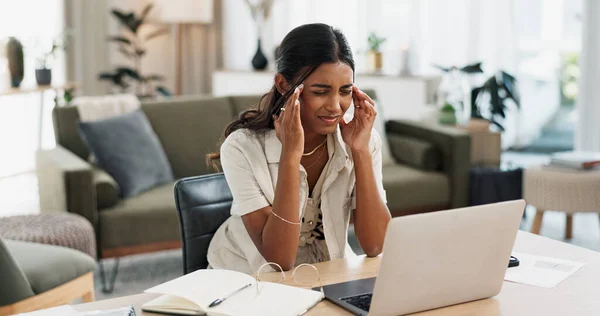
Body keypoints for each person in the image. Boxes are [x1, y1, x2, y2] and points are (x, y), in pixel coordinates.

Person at [206, 23, 391, 274]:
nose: (336, 106)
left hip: (328, 271)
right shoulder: (241, 148)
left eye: (345, 91)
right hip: (249, 276)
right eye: (320, 91)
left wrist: (360, 152)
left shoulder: (363, 141)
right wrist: (290, 156)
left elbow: (376, 245)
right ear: (284, 85)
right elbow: (280, 260)